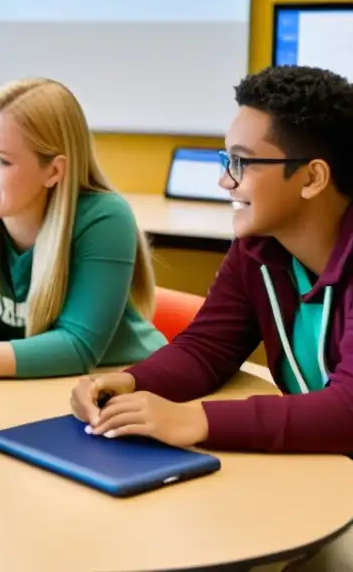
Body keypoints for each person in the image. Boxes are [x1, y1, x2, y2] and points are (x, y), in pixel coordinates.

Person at [70, 66, 353, 571]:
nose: (225, 180)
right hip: (321, 473)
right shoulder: (257, 248)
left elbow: (349, 411)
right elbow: (208, 348)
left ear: (312, 177)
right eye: (227, 160)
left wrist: (195, 420)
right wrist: (130, 380)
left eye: (241, 163)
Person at [0, 77, 164, 378]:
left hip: (122, 384)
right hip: (19, 387)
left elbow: (77, 348)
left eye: (0, 161)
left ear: (53, 171)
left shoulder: (105, 218)